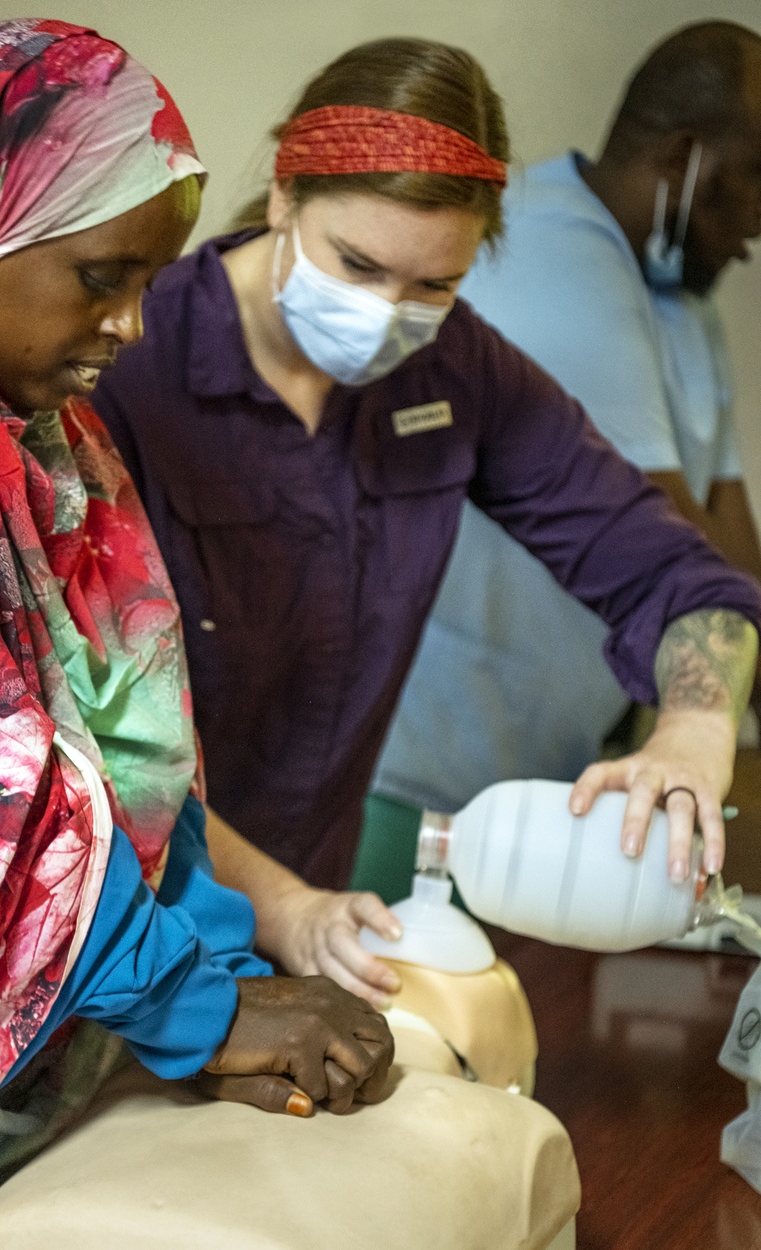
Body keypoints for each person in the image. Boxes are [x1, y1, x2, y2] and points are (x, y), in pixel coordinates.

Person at [0, 23, 393, 1250]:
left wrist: (223, 972)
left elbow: (116, 750)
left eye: (151, 282)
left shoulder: (19, 412)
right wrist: (200, 1014)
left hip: (7, 1055)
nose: (134, 327)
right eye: (102, 276)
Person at [92, 36, 761, 1008]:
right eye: (355, 264)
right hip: (119, 909)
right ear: (284, 195)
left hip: (307, 910)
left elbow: (680, 575)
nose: (382, 315)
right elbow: (83, 719)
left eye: (431, 286)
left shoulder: (457, 375)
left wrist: (698, 722)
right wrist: (277, 906)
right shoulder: (134, 369)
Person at [368, 21, 761, 894]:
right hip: (417, 777)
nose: (759, 224)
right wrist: (717, 720)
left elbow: (721, 545)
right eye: (756, 176)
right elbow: (668, 537)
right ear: (686, 156)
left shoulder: (680, 303)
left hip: (549, 774)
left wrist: (717, 711)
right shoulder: (555, 253)